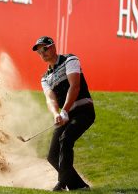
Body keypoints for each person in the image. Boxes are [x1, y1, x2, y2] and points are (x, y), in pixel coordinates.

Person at [32, 36, 95, 191]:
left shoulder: (70, 60)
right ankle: (79, 187)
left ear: (53, 47)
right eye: (39, 51)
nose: (42, 53)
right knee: (52, 156)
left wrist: (65, 110)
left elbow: (75, 86)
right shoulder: (45, 78)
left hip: (83, 111)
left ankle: (61, 183)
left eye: (44, 48)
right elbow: (50, 99)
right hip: (66, 115)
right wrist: (56, 114)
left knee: (66, 139)